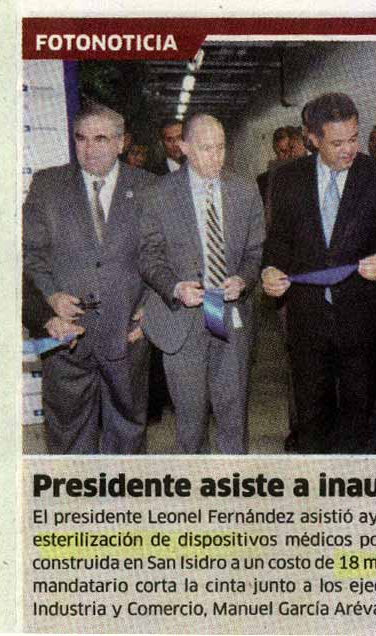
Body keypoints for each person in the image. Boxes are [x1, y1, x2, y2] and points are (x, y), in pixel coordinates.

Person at [261, 93, 376, 454]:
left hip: (364, 317)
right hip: (308, 319)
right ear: (313, 139)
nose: (349, 149)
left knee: (363, 414)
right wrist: (270, 269)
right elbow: (279, 240)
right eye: (337, 143)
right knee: (311, 414)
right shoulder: (287, 179)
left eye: (354, 138)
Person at [23, 102, 153, 454]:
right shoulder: (47, 185)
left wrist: (152, 310)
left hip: (127, 334)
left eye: (100, 139)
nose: (89, 148)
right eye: (81, 138)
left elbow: (166, 258)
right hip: (66, 336)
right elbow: (30, 254)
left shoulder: (149, 187)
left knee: (128, 433)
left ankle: (122, 490)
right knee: (67, 435)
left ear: (121, 143)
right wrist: (51, 296)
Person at [139, 113, 265, 454]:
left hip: (230, 316)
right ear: (184, 148)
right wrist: (175, 287)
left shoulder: (245, 190)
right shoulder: (158, 194)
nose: (216, 157)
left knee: (233, 416)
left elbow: (254, 252)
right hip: (184, 320)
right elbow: (149, 256)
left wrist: (244, 279)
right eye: (206, 149)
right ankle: (194, 481)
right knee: (190, 421)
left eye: (221, 147)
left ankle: (233, 480)